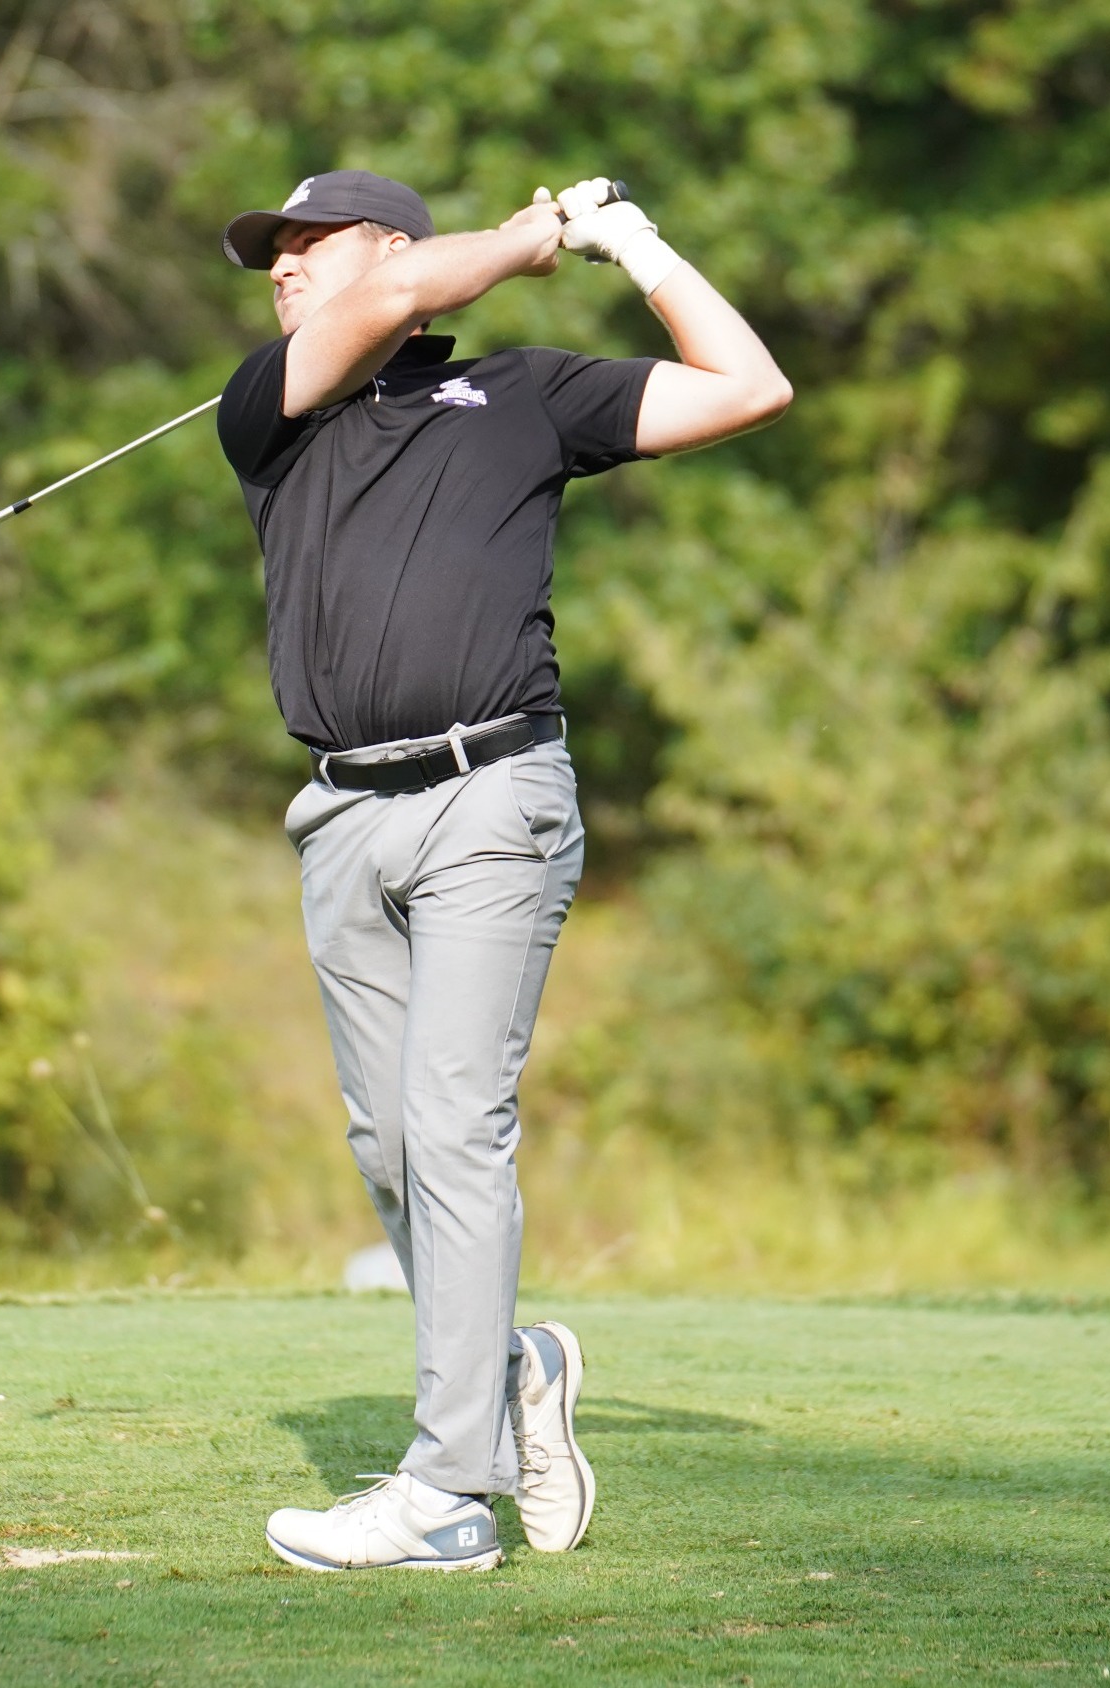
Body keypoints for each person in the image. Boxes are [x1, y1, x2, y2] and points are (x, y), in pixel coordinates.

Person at [217, 169, 791, 1571]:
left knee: (454, 1121)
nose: (282, 273)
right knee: (392, 1149)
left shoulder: (522, 395)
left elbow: (748, 384)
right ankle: (514, 1366)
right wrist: (534, 238)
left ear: (390, 245)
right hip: (342, 819)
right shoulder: (269, 407)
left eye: (309, 248)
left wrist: (632, 242)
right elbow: (406, 295)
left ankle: (448, 1496)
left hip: (494, 798)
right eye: (270, 257)